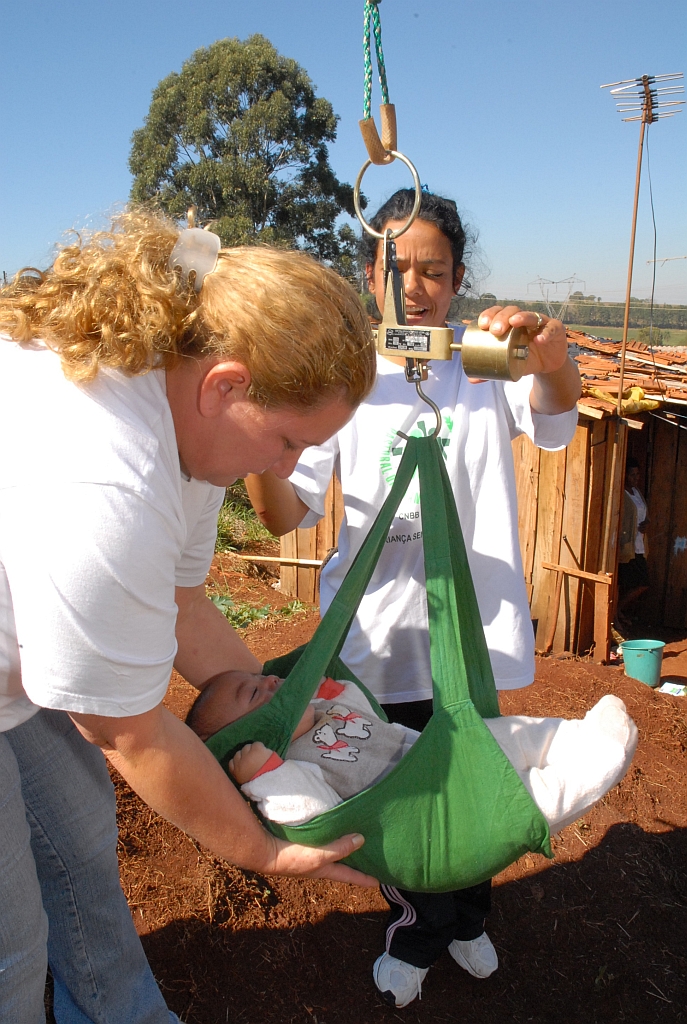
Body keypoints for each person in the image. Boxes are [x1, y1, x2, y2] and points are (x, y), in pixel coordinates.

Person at [0, 210, 378, 1024]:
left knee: (77, 851)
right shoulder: (107, 480)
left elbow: (182, 603)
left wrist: (279, 705)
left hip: (16, 667)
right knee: (10, 944)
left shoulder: (189, 431)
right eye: (284, 442)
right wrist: (263, 850)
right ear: (226, 386)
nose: (286, 470)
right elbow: (124, 730)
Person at [245, 188, 581, 1007]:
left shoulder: (481, 365)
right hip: (374, 640)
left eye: (433, 270)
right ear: (370, 278)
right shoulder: (344, 382)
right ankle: (422, 930)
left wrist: (548, 349)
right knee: (397, 794)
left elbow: (558, 415)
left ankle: (468, 917)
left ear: (459, 278)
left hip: (468, 630)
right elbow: (283, 509)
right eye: (397, 268)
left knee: (474, 774)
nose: (415, 285)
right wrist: (261, 446)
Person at [186, 670, 637, 838]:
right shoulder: (295, 766)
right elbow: (314, 815)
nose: (273, 682)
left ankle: (577, 737)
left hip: (435, 750)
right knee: (521, 800)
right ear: (245, 736)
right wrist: (266, 776)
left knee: (508, 735)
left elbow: (372, 720)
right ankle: (601, 760)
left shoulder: (321, 711)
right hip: (425, 807)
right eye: (255, 693)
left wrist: (336, 693)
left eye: (263, 678)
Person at [617, 457, 650, 633]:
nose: (635, 478)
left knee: (641, 583)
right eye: (632, 475)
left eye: (637, 474)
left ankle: (618, 610)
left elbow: (643, 514)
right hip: (626, 546)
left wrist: (647, 524)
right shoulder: (622, 494)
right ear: (625, 475)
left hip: (639, 544)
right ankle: (617, 612)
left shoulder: (637, 492)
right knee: (631, 582)